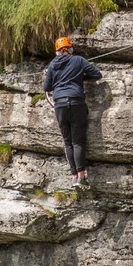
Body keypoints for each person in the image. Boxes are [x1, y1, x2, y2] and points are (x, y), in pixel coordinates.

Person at [43, 37, 102, 188]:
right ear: (68, 49)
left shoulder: (52, 65)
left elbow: (47, 87)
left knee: (68, 141)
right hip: (76, 102)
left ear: (57, 51)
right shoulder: (78, 60)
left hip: (60, 104)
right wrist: (81, 76)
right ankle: (81, 177)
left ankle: (74, 176)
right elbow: (97, 74)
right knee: (78, 141)